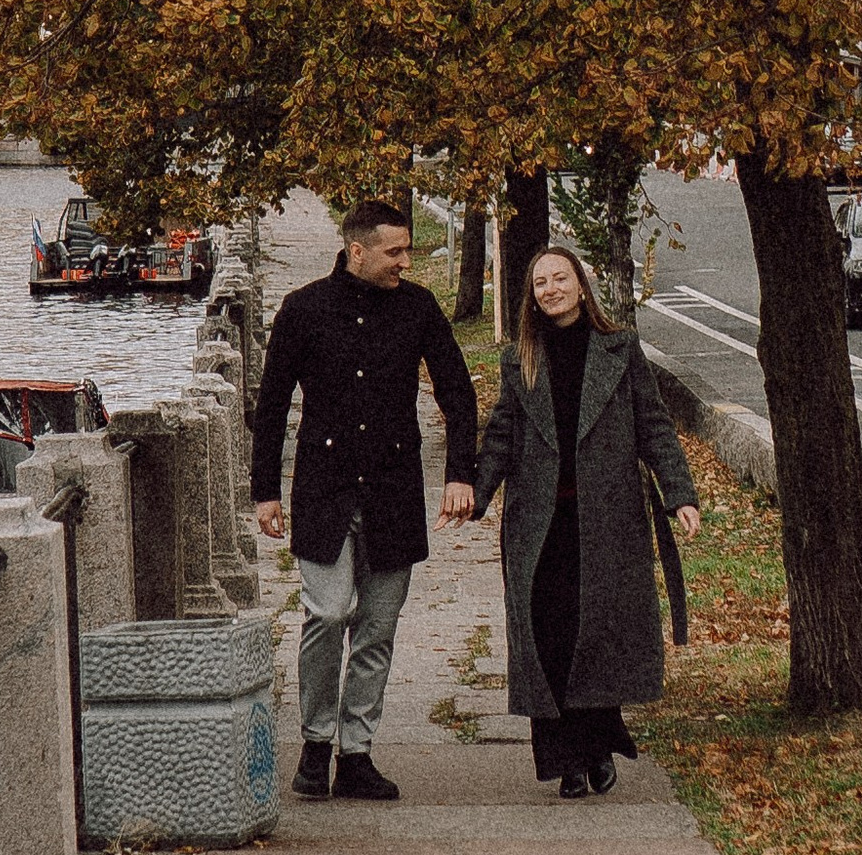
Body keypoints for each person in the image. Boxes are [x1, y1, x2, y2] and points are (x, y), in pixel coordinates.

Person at [251, 197, 480, 801]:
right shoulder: (303, 311)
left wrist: (460, 473)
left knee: (377, 629)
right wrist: (264, 493)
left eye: (406, 249)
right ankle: (315, 743)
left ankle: (356, 755)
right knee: (325, 616)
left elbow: (458, 392)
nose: (405, 260)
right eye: (395, 251)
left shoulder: (418, 308)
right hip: (324, 491)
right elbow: (271, 406)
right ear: (358, 250)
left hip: (393, 492)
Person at [474, 246, 699, 797]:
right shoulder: (520, 358)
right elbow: (502, 433)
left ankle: (598, 745)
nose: (549, 289)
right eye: (540, 282)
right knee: (547, 636)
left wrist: (679, 494)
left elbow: (654, 425)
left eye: (560, 278)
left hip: (607, 519)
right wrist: (473, 494)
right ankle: (563, 761)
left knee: (597, 632)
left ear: (581, 285)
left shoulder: (619, 350)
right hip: (539, 522)